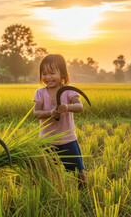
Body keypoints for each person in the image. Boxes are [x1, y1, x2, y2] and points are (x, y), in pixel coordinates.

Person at [33, 54, 86, 188]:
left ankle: (84, 192)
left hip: (67, 139)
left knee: (78, 170)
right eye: (44, 74)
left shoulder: (68, 91)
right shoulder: (40, 92)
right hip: (46, 140)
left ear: (62, 73)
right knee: (44, 170)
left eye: (52, 73)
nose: (48, 77)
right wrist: (50, 113)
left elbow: (80, 106)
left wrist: (67, 106)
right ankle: (45, 192)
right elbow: (36, 113)